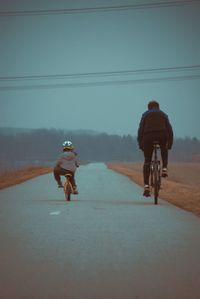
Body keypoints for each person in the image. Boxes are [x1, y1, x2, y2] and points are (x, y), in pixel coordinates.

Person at [137, 100, 173, 197]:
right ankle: (164, 168)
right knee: (164, 149)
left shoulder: (145, 114)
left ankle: (146, 186)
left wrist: (141, 145)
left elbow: (140, 130)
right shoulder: (163, 114)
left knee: (147, 161)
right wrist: (169, 145)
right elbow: (170, 130)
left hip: (148, 137)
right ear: (158, 107)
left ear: (149, 107)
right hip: (162, 135)